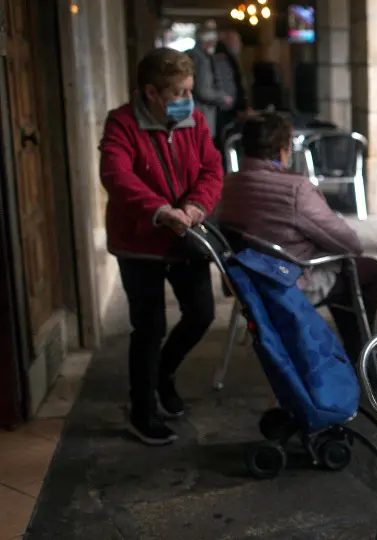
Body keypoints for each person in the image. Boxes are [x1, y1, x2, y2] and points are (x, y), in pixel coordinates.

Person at [99, 48, 223, 445]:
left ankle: (163, 373)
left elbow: (212, 168)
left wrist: (196, 205)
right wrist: (160, 210)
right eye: (179, 93)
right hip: (140, 241)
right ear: (151, 92)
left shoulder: (194, 121)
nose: (188, 100)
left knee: (201, 313)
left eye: (189, 91)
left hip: (186, 235)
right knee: (149, 326)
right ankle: (142, 409)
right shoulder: (121, 124)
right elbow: (116, 176)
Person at [216, 113, 377, 362]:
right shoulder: (295, 189)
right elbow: (349, 244)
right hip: (288, 282)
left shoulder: (228, 185)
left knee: (347, 271)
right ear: (284, 149)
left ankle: (352, 353)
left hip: (246, 283)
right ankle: (359, 353)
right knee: (368, 270)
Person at [186, 21, 232, 139]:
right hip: (202, 116)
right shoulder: (202, 60)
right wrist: (223, 98)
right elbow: (204, 91)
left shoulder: (189, 55)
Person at [213, 30, 251, 148]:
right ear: (230, 43)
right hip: (226, 110)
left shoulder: (230, 58)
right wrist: (235, 105)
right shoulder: (223, 59)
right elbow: (227, 85)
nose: (240, 45)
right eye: (237, 41)